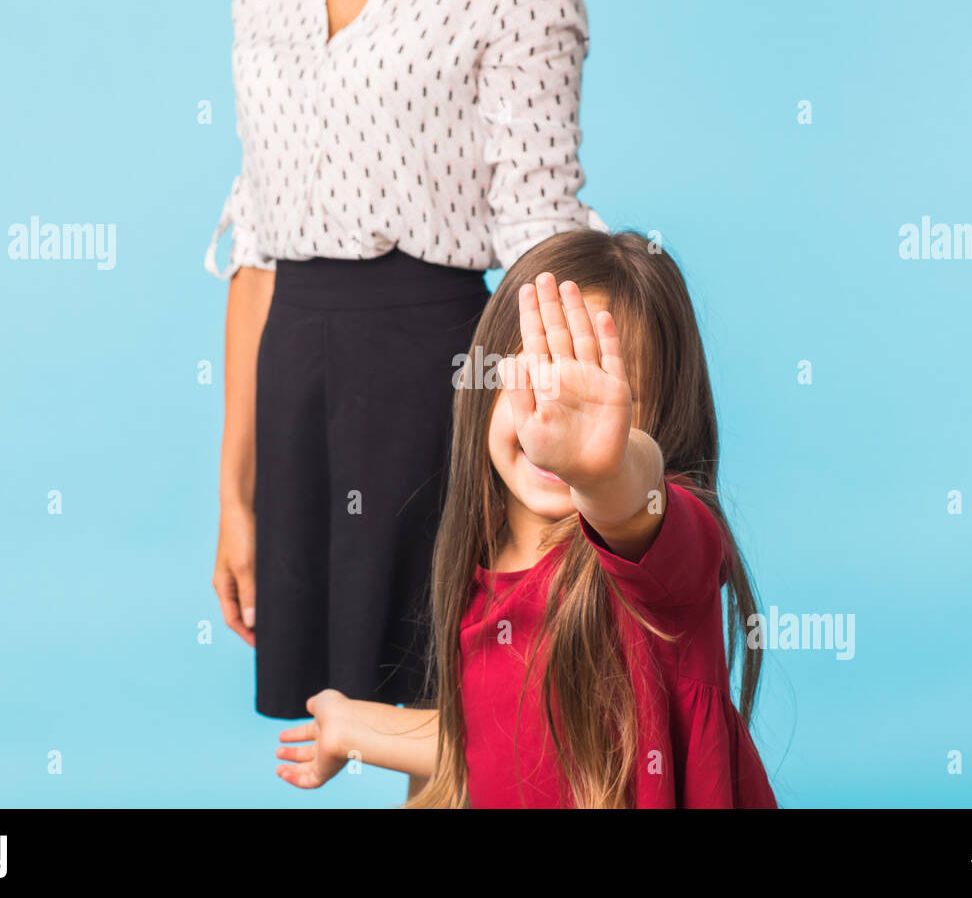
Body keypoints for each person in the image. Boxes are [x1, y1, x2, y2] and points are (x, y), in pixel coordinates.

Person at [205, 0, 600, 723]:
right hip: (292, 373)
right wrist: (235, 500)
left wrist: (555, 455)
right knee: (358, 709)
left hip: (441, 378)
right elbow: (257, 249)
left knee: (459, 702)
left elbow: (542, 235)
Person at [274, 230, 778, 808]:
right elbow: (501, 744)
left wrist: (606, 471)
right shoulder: (482, 566)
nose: (561, 423)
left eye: (609, 401)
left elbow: (636, 500)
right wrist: (352, 726)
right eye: (540, 383)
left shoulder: (668, 564)